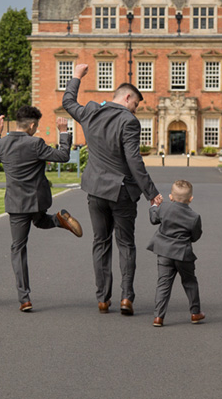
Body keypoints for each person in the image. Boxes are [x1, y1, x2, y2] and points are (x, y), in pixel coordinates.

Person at [62, 64, 163, 316]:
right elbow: (134, 161)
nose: (136, 109)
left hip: (95, 191)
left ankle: (102, 299)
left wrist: (76, 76)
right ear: (127, 97)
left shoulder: (91, 113)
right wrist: (152, 193)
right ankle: (126, 297)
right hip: (121, 193)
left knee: (100, 242)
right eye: (136, 104)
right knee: (126, 244)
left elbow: (68, 101)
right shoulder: (129, 121)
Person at [0, 106, 83, 312]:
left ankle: (25, 299)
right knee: (40, 221)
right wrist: (64, 132)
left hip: (16, 203)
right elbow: (63, 156)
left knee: (18, 248)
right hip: (38, 200)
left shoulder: (3, 143)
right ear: (32, 125)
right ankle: (59, 219)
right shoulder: (36, 143)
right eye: (36, 126)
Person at [147, 180, 204, 327]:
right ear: (190, 199)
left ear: (171, 197)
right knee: (190, 282)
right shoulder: (194, 217)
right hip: (183, 254)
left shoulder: (164, 208)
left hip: (164, 252)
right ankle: (195, 313)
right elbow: (196, 236)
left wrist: (154, 205)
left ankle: (158, 317)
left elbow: (154, 219)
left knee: (163, 284)